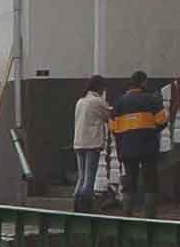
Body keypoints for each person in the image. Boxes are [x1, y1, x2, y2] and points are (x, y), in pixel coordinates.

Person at [110, 70, 167, 217]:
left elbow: (113, 128)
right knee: (150, 180)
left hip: (127, 148)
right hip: (148, 146)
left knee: (130, 180)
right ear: (143, 82)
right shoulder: (151, 99)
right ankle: (150, 215)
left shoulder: (119, 102)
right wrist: (150, 129)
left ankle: (127, 212)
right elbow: (162, 121)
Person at [71, 77, 112, 212]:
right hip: (92, 143)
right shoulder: (97, 101)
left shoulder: (80, 101)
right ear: (99, 87)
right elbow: (108, 116)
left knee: (81, 177)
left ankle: (76, 206)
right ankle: (85, 208)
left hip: (78, 143)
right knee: (89, 178)